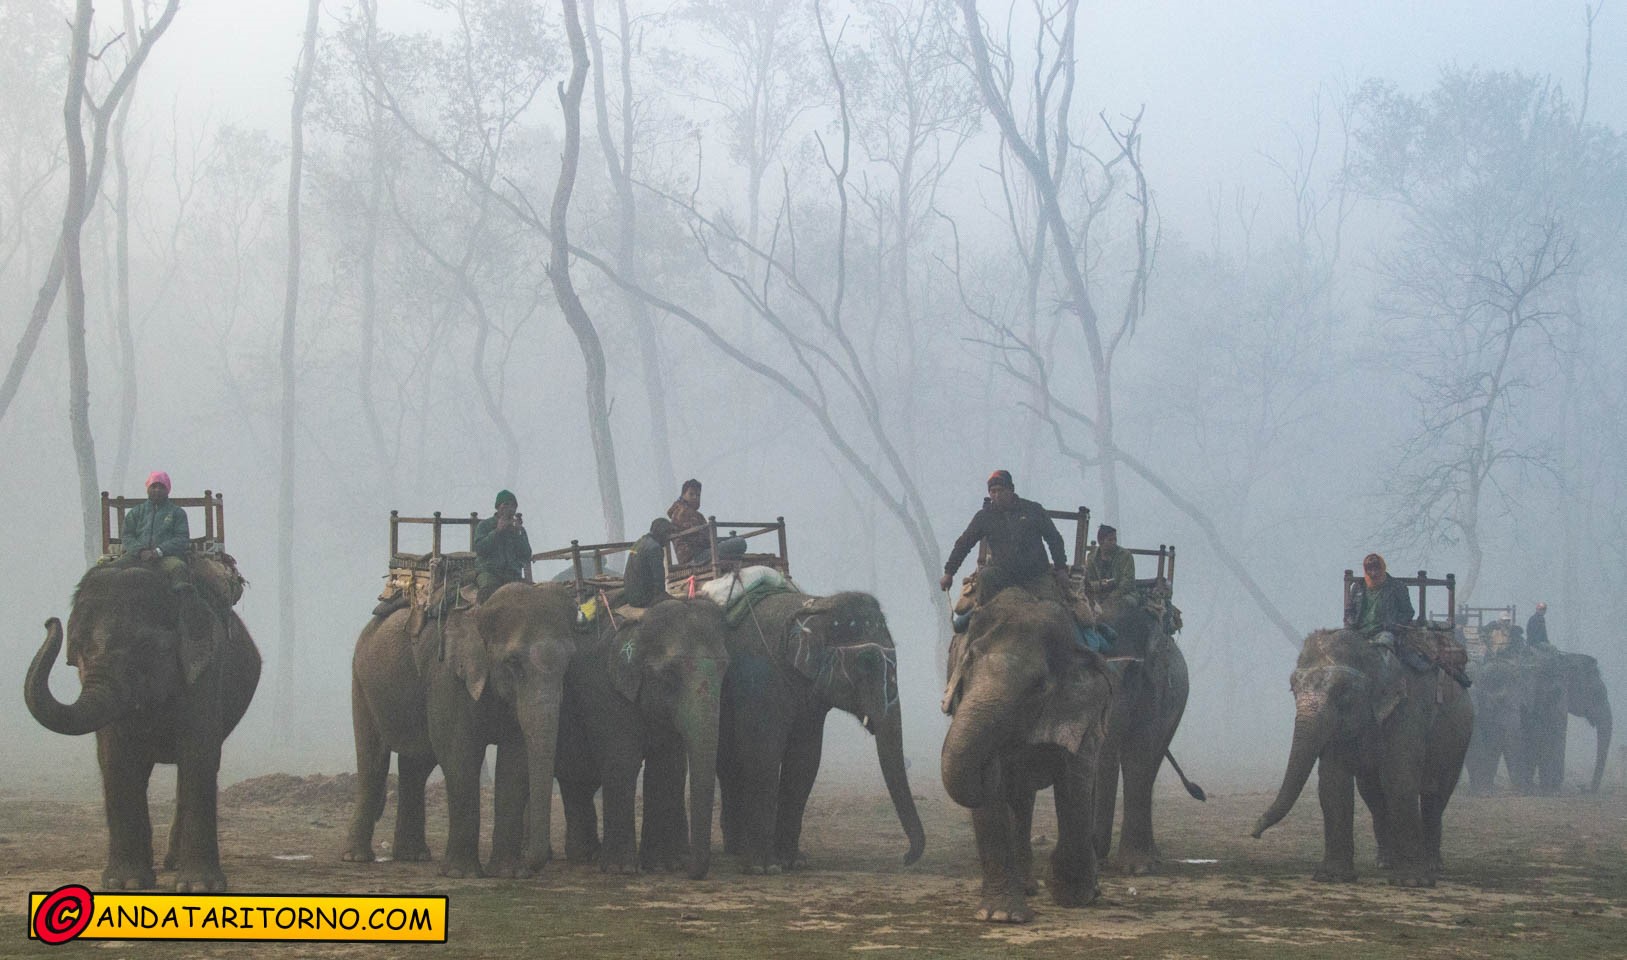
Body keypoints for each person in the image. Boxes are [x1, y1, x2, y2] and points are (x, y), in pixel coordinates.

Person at [939, 469, 1069, 606]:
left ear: (1011, 489)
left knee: (1053, 609)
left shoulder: (1033, 510)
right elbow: (964, 544)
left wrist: (1061, 568)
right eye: (993, 491)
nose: (997, 495)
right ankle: (982, 612)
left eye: (1001, 490)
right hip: (1002, 575)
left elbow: (1054, 539)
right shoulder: (985, 516)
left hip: (1036, 576)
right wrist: (949, 573)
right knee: (985, 580)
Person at [121, 471, 193, 589]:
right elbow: (127, 536)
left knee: (179, 568)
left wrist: (158, 551)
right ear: (147, 488)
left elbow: (182, 538)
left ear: (168, 490)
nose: (157, 490)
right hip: (136, 557)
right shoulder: (136, 512)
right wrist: (140, 551)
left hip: (166, 558)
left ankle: (182, 599)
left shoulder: (177, 513)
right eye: (153, 486)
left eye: (162, 487)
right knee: (109, 570)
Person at [666, 478, 747, 567]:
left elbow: (705, 539)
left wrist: (723, 540)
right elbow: (704, 540)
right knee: (740, 542)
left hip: (697, 554)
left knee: (734, 542)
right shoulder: (683, 512)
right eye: (691, 494)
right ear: (683, 495)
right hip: (695, 558)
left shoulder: (686, 512)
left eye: (698, 495)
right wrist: (723, 541)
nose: (695, 497)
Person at [474, 490, 533, 602]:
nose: (509, 508)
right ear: (498, 507)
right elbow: (480, 548)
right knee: (488, 594)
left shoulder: (518, 529)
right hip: (490, 572)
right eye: (506, 504)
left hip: (513, 575)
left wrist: (519, 534)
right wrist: (497, 531)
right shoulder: (485, 525)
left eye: (513, 506)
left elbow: (526, 555)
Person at [1344, 553, 1415, 633]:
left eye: (1376, 569)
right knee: (1342, 638)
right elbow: (1349, 610)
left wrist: (1393, 625)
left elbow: (1408, 612)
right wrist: (1352, 623)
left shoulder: (1397, 587)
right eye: (1369, 570)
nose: (1373, 573)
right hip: (1359, 631)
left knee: (1384, 640)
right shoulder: (1358, 587)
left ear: (1383, 569)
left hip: (1385, 631)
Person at [622, 518, 675, 608]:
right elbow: (658, 578)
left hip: (631, 597)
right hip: (644, 598)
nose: (668, 539)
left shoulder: (638, 543)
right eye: (668, 534)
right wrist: (662, 597)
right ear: (662, 533)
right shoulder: (655, 548)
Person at [1082, 524, 1139, 606]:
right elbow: (1088, 582)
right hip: (1098, 594)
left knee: (1126, 602)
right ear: (1101, 541)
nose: (1114, 542)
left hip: (1122, 595)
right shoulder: (1091, 558)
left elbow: (1128, 581)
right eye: (1110, 540)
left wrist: (1113, 597)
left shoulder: (1125, 555)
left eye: (1115, 539)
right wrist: (1100, 584)